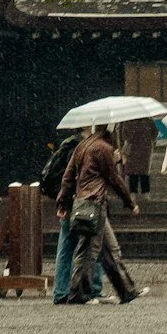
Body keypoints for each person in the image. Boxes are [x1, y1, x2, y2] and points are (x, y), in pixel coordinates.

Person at [60, 123, 143, 305]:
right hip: (95, 204)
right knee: (90, 250)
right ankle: (79, 293)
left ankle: (126, 290)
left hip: (84, 202)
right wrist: (130, 203)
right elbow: (114, 179)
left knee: (110, 249)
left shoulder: (82, 146)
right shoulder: (103, 149)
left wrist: (62, 201)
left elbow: (68, 175)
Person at [39, 130, 92, 303]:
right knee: (88, 245)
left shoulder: (67, 146)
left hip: (68, 201)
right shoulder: (80, 148)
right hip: (79, 201)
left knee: (65, 247)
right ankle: (87, 290)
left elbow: (65, 179)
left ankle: (61, 291)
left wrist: (62, 202)